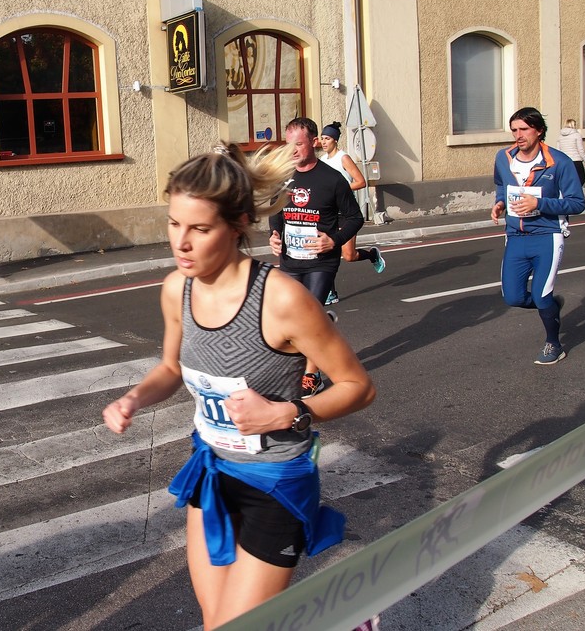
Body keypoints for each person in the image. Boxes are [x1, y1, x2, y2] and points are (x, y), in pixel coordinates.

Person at [102, 141, 374, 630]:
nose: (180, 242)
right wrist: (134, 397)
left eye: (200, 229)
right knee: (215, 623)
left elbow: (358, 385)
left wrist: (287, 412)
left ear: (237, 225)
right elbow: (170, 367)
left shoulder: (282, 299)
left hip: (275, 486)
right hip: (212, 473)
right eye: (173, 223)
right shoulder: (176, 288)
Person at [268, 118, 364, 393]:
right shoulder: (283, 176)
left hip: (321, 262)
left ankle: (312, 374)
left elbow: (355, 218)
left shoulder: (332, 179)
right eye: (289, 145)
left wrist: (333, 240)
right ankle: (323, 325)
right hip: (290, 261)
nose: (293, 150)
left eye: (299, 144)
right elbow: (276, 212)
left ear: (314, 142)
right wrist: (275, 236)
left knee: (307, 317)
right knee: (287, 318)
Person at [491, 107, 585, 365]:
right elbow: (502, 185)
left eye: (523, 129)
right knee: (513, 297)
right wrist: (500, 203)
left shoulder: (559, 162)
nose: (517, 135)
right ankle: (551, 306)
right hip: (515, 236)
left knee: (541, 295)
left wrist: (539, 204)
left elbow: (577, 204)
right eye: (514, 130)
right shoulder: (503, 157)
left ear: (539, 130)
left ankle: (554, 344)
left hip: (548, 235)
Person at [317, 121, 386, 305]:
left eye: (328, 138)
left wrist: (339, 190)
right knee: (326, 251)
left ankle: (372, 255)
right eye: (322, 138)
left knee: (349, 256)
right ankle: (330, 293)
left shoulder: (343, 158)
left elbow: (361, 181)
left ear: (335, 140)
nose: (324, 142)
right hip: (329, 213)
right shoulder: (322, 161)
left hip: (347, 212)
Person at [557, 118, 585, 187]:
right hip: (576, 161)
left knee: (567, 181)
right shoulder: (577, 135)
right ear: (573, 125)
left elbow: (558, 150)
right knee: (580, 180)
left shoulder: (560, 136)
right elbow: (580, 150)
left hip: (565, 161)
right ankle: (576, 195)